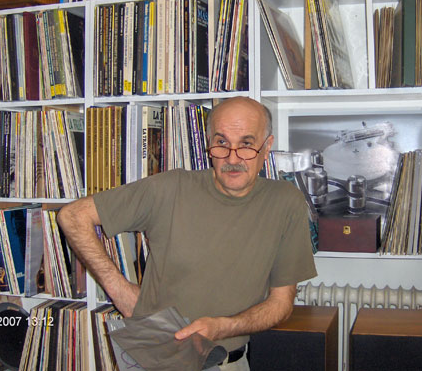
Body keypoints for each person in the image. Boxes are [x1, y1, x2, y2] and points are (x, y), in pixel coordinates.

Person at [57, 96, 317, 370]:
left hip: (230, 362)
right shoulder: (170, 189)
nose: (232, 158)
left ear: (267, 147)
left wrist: (223, 327)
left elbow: (280, 304)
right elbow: (73, 216)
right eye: (221, 142)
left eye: (246, 144)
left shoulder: (286, 202)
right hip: (157, 359)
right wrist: (119, 291)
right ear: (208, 144)